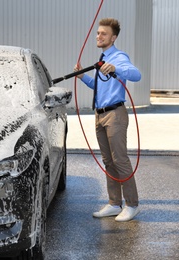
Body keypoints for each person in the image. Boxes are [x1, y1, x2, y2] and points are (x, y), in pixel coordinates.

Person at [74, 18, 141, 222]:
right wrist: (81, 76)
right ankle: (114, 203)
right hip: (100, 114)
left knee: (120, 160)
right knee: (108, 161)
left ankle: (132, 204)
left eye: (103, 33)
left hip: (115, 115)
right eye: (98, 33)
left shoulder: (119, 57)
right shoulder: (102, 59)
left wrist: (116, 68)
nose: (99, 36)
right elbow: (99, 86)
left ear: (113, 37)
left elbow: (136, 74)